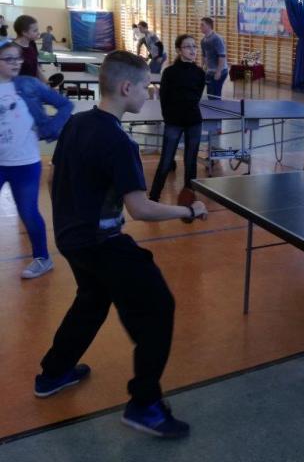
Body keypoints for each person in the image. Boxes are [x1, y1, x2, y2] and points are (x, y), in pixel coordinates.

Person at [36, 50, 207, 439]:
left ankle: (53, 373)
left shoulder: (77, 123)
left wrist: (72, 219)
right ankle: (144, 405)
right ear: (127, 87)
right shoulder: (119, 143)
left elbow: (53, 177)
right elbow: (140, 209)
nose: (149, 93)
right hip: (103, 243)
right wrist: (188, 211)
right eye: (146, 86)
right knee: (158, 308)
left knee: (92, 300)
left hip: (71, 238)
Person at [0, 38, 73, 279]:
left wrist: (49, 128)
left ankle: (43, 258)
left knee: (28, 212)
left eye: (18, 58)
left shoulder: (28, 85)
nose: (16, 63)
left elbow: (65, 105)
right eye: (9, 59)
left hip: (25, 163)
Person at [149, 35, 206, 202]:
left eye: (194, 46)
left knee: (191, 162)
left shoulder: (200, 73)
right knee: (166, 161)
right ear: (179, 50)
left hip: (194, 122)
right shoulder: (169, 72)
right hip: (173, 122)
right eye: (188, 46)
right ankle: (153, 198)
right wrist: (169, 119)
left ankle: (189, 199)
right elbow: (164, 99)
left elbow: (196, 97)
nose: (192, 50)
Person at [199, 17, 227, 99]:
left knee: (214, 97)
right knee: (210, 95)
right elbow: (204, 56)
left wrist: (218, 72)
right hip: (210, 71)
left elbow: (222, 56)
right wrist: (202, 68)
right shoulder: (203, 40)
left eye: (202, 25)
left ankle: (217, 107)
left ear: (209, 26)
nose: (200, 27)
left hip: (220, 71)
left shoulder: (217, 38)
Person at [13, 15, 45, 82]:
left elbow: (36, 66)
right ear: (24, 32)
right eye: (35, 30)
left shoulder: (32, 43)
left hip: (33, 84)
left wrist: (45, 82)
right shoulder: (13, 49)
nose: (38, 33)